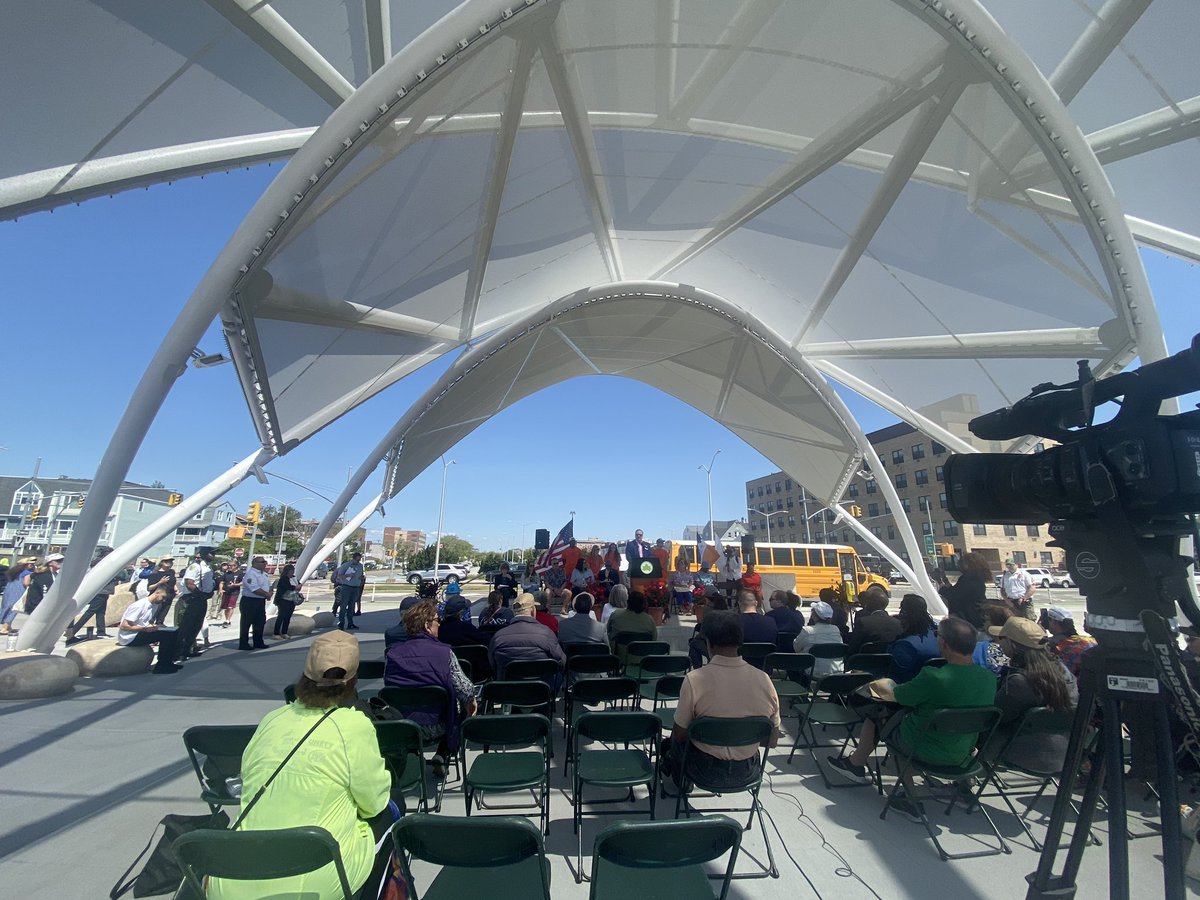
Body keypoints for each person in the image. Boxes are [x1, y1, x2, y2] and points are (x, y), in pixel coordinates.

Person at [209, 631, 391, 900]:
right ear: (353, 680)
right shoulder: (354, 725)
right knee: (391, 809)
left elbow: (249, 777)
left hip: (232, 879)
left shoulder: (273, 718)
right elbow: (374, 802)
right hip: (316, 880)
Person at [828, 617, 998, 820]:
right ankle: (962, 789)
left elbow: (899, 696)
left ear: (943, 643)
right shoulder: (988, 678)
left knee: (879, 717)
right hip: (964, 756)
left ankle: (906, 795)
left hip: (922, 747)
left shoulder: (933, 676)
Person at [666, 610, 781, 790]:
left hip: (703, 771)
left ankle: (680, 781)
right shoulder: (765, 680)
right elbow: (772, 741)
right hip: (747, 771)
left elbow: (680, 734)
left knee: (673, 737)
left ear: (708, 643)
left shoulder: (694, 679)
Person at [384, 600, 477, 760]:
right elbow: (465, 690)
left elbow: (389, 687)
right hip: (438, 725)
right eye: (436, 620)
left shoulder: (392, 655)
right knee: (466, 701)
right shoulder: (445, 653)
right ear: (427, 625)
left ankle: (413, 753)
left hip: (403, 724)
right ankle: (443, 752)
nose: (439, 624)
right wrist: (472, 701)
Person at [985, 616, 1077, 772]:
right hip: (1064, 752)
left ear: (1011, 644)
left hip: (1025, 753)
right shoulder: (1063, 672)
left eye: (1001, 638)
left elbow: (995, 717)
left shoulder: (1020, 682)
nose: (997, 642)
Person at [488, 593, 566, 679]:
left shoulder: (498, 637)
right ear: (533, 610)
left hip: (508, 688)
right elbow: (561, 661)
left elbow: (492, 665)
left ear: (514, 612)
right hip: (541, 687)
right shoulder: (546, 633)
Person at [115, 584, 182, 674]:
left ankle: (168, 662)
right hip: (129, 637)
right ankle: (161, 666)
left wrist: (155, 628)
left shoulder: (155, 605)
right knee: (166, 636)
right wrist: (145, 630)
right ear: (157, 593)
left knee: (174, 632)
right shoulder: (139, 605)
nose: (164, 600)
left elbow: (146, 622)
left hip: (140, 631)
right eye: (163, 597)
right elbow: (124, 626)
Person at [67, 551, 121, 643]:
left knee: (100, 612)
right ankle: (73, 631)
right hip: (102, 591)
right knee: (91, 611)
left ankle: (101, 631)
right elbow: (121, 575)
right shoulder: (107, 564)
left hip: (101, 590)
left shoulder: (98, 563)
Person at [889, 595, 941, 683]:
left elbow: (894, 678)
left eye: (901, 612)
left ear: (905, 615)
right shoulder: (941, 637)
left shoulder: (905, 646)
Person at [175, 548, 216, 660]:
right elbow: (190, 583)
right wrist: (200, 594)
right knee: (184, 626)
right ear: (203, 554)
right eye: (211, 553)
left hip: (201, 600)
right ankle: (178, 652)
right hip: (191, 600)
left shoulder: (208, 567)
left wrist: (209, 592)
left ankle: (188, 650)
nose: (213, 555)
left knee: (196, 626)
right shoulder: (195, 567)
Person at [937, 552, 991, 630]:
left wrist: (939, 583)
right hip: (975, 616)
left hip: (967, 619)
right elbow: (955, 590)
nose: (960, 565)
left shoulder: (968, 580)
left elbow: (952, 595)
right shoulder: (977, 578)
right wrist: (944, 579)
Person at [793, 600, 845, 679]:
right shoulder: (836, 629)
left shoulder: (807, 631)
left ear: (814, 615)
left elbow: (796, 648)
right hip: (836, 670)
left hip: (814, 672)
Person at [1040, 607, 1096, 678]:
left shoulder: (1057, 647)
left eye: (1048, 620)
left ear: (1054, 623)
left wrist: (1039, 631)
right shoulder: (1090, 641)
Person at [607, 590, 657, 665]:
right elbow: (653, 639)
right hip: (643, 661)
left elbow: (608, 633)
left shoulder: (615, 615)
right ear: (644, 604)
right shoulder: (650, 620)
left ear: (628, 602)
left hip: (620, 660)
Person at [847, 585, 902, 653]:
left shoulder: (863, 623)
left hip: (865, 661)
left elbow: (853, 647)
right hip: (889, 661)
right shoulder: (898, 623)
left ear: (870, 604)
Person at [238, 555, 271, 651]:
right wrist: (266, 594)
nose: (265, 563)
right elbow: (254, 589)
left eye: (265, 562)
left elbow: (269, 585)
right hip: (250, 601)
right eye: (262, 562)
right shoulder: (251, 574)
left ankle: (258, 642)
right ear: (255, 564)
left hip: (260, 601)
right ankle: (243, 643)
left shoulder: (264, 574)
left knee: (260, 622)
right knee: (246, 623)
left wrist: (269, 593)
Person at [272, 562, 303, 640]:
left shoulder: (294, 578)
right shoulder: (284, 579)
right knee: (281, 616)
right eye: (291, 570)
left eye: (293, 570)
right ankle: (276, 633)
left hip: (292, 600)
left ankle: (284, 632)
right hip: (283, 600)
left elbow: (299, 584)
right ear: (287, 571)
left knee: (288, 617)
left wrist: (298, 587)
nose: (292, 572)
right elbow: (287, 587)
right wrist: (295, 587)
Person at [1, 560, 33, 636]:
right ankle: (5, 627)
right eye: (30, 564)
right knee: (14, 609)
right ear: (26, 565)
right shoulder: (27, 573)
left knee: (6, 607)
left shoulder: (13, 572)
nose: (32, 565)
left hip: (9, 590)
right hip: (19, 591)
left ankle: (7, 626)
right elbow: (26, 583)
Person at [334, 553, 365, 630]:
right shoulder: (346, 565)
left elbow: (361, 574)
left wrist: (362, 578)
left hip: (356, 587)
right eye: (357, 560)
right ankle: (341, 623)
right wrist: (348, 575)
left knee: (352, 606)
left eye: (359, 560)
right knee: (343, 605)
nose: (358, 561)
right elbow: (339, 576)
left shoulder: (360, 566)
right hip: (346, 587)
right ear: (353, 558)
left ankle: (350, 623)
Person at [24, 553, 60, 619]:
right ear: (50, 563)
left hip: (42, 607)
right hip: (38, 607)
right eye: (58, 560)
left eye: (62, 560)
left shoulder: (55, 574)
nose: (61, 562)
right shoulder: (45, 575)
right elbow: (46, 593)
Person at [146, 557, 177, 624]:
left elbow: (172, 581)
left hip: (169, 596)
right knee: (152, 616)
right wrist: (160, 582)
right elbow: (149, 587)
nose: (169, 562)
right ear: (162, 562)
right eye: (167, 561)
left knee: (161, 617)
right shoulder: (155, 573)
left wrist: (175, 587)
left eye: (171, 561)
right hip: (157, 598)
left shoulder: (171, 572)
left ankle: (159, 627)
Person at [218, 562, 241, 627]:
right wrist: (220, 590)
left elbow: (242, 582)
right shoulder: (226, 574)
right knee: (226, 607)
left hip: (234, 592)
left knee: (230, 607)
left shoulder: (240, 573)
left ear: (236, 566)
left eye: (231, 565)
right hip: (226, 592)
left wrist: (234, 585)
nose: (229, 567)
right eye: (229, 565)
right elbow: (222, 582)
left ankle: (227, 620)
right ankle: (227, 619)